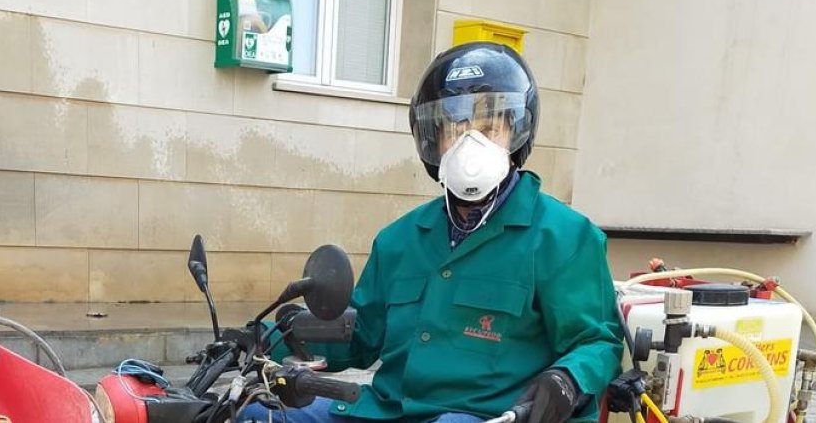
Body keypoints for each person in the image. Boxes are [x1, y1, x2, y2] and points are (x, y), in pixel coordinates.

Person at [239, 42, 623, 423]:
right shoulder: (400, 240)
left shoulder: (565, 237)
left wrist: (566, 379)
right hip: (391, 411)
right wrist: (278, 332)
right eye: (456, 130)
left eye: (490, 128)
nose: (472, 142)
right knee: (256, 414)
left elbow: (597, 341)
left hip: (491, 416)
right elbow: (360, 335)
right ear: (433, 141)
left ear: (517, 132)